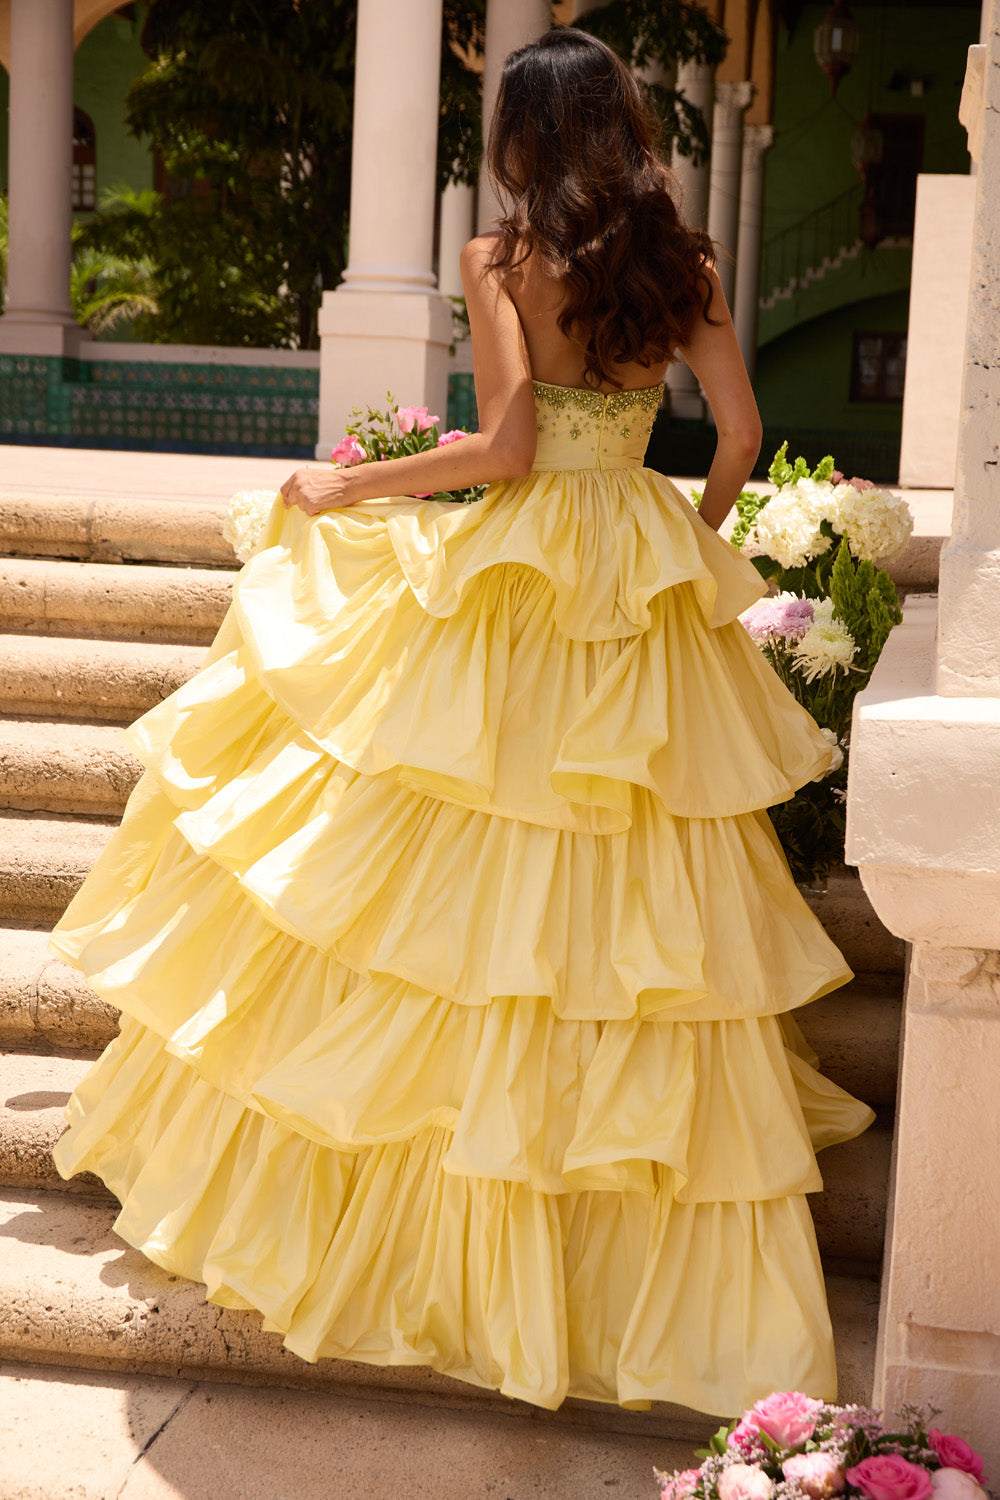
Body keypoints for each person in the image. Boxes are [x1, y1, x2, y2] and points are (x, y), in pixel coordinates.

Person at [52, 26, 874, 1417]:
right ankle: (615, 1262)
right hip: (642, 557)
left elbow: (503, 449)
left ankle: (455, 1221)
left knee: (467, 848)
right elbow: (732, 438)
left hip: (522, 558)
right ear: (621, 127)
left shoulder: (503, 264)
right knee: (632, 876)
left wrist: (347, 491)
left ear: (523, 142)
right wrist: (688, 543)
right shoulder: (689, 264)